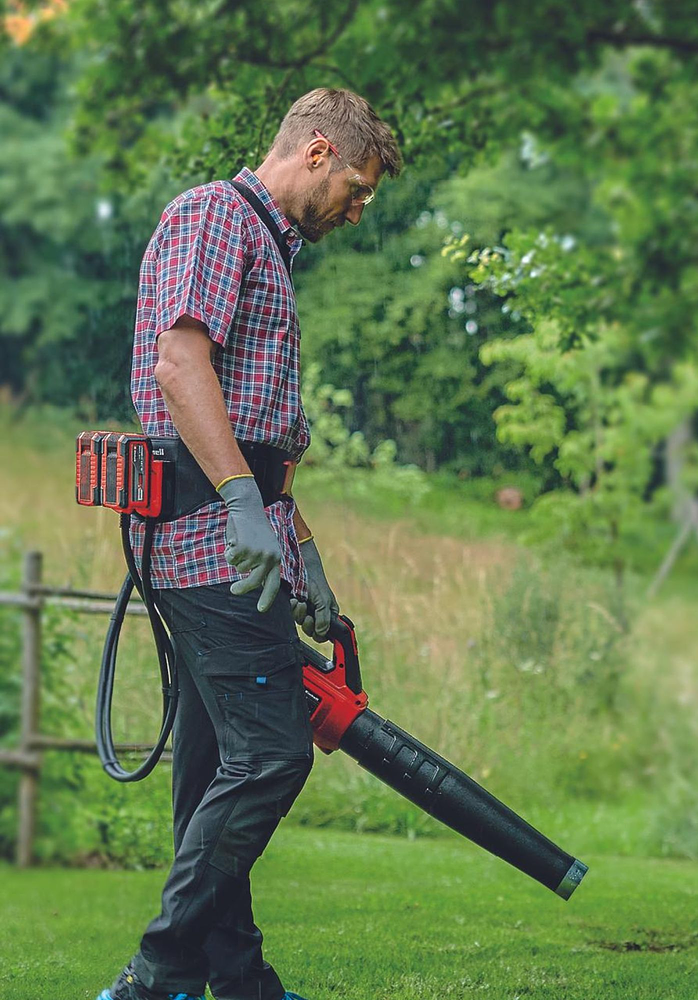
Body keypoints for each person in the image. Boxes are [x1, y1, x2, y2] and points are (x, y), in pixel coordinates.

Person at [96, 88, 402, 1000]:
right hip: (207, 544)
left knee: (211, 775)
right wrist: (237, 503)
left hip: (239, 540)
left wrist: (296, 545)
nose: (360, 206)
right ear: (316, 150)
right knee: (271, 755)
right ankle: (157, 976)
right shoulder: (214, 216)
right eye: (358, 184)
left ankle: (235, 983)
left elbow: (265, 434)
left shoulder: (266, 244)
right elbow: (179, 364)